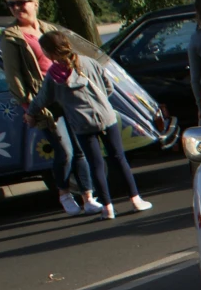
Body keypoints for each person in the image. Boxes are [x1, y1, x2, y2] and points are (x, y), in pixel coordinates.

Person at [24, 31, 152, 220]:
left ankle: (107, 208)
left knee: (96, 164)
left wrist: (30, 113)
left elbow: (42, 99)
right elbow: (108, 86)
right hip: (106, 117)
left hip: (81, 123)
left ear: (49, 53)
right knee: (118, 158)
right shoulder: (89, 62)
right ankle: (135, 199)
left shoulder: (53, 76)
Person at [0, 0, 100, 216]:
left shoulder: (49, 29)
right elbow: (14, 78)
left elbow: (69, 58)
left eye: (21, 2)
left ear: (35, 3)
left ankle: (88, 197)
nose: (17, 8)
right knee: (64, 151)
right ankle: (64, 193)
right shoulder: (11, 37)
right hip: (44, 100)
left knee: (80, 148)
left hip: (67, 95)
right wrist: (29, 108)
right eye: (12, 4)